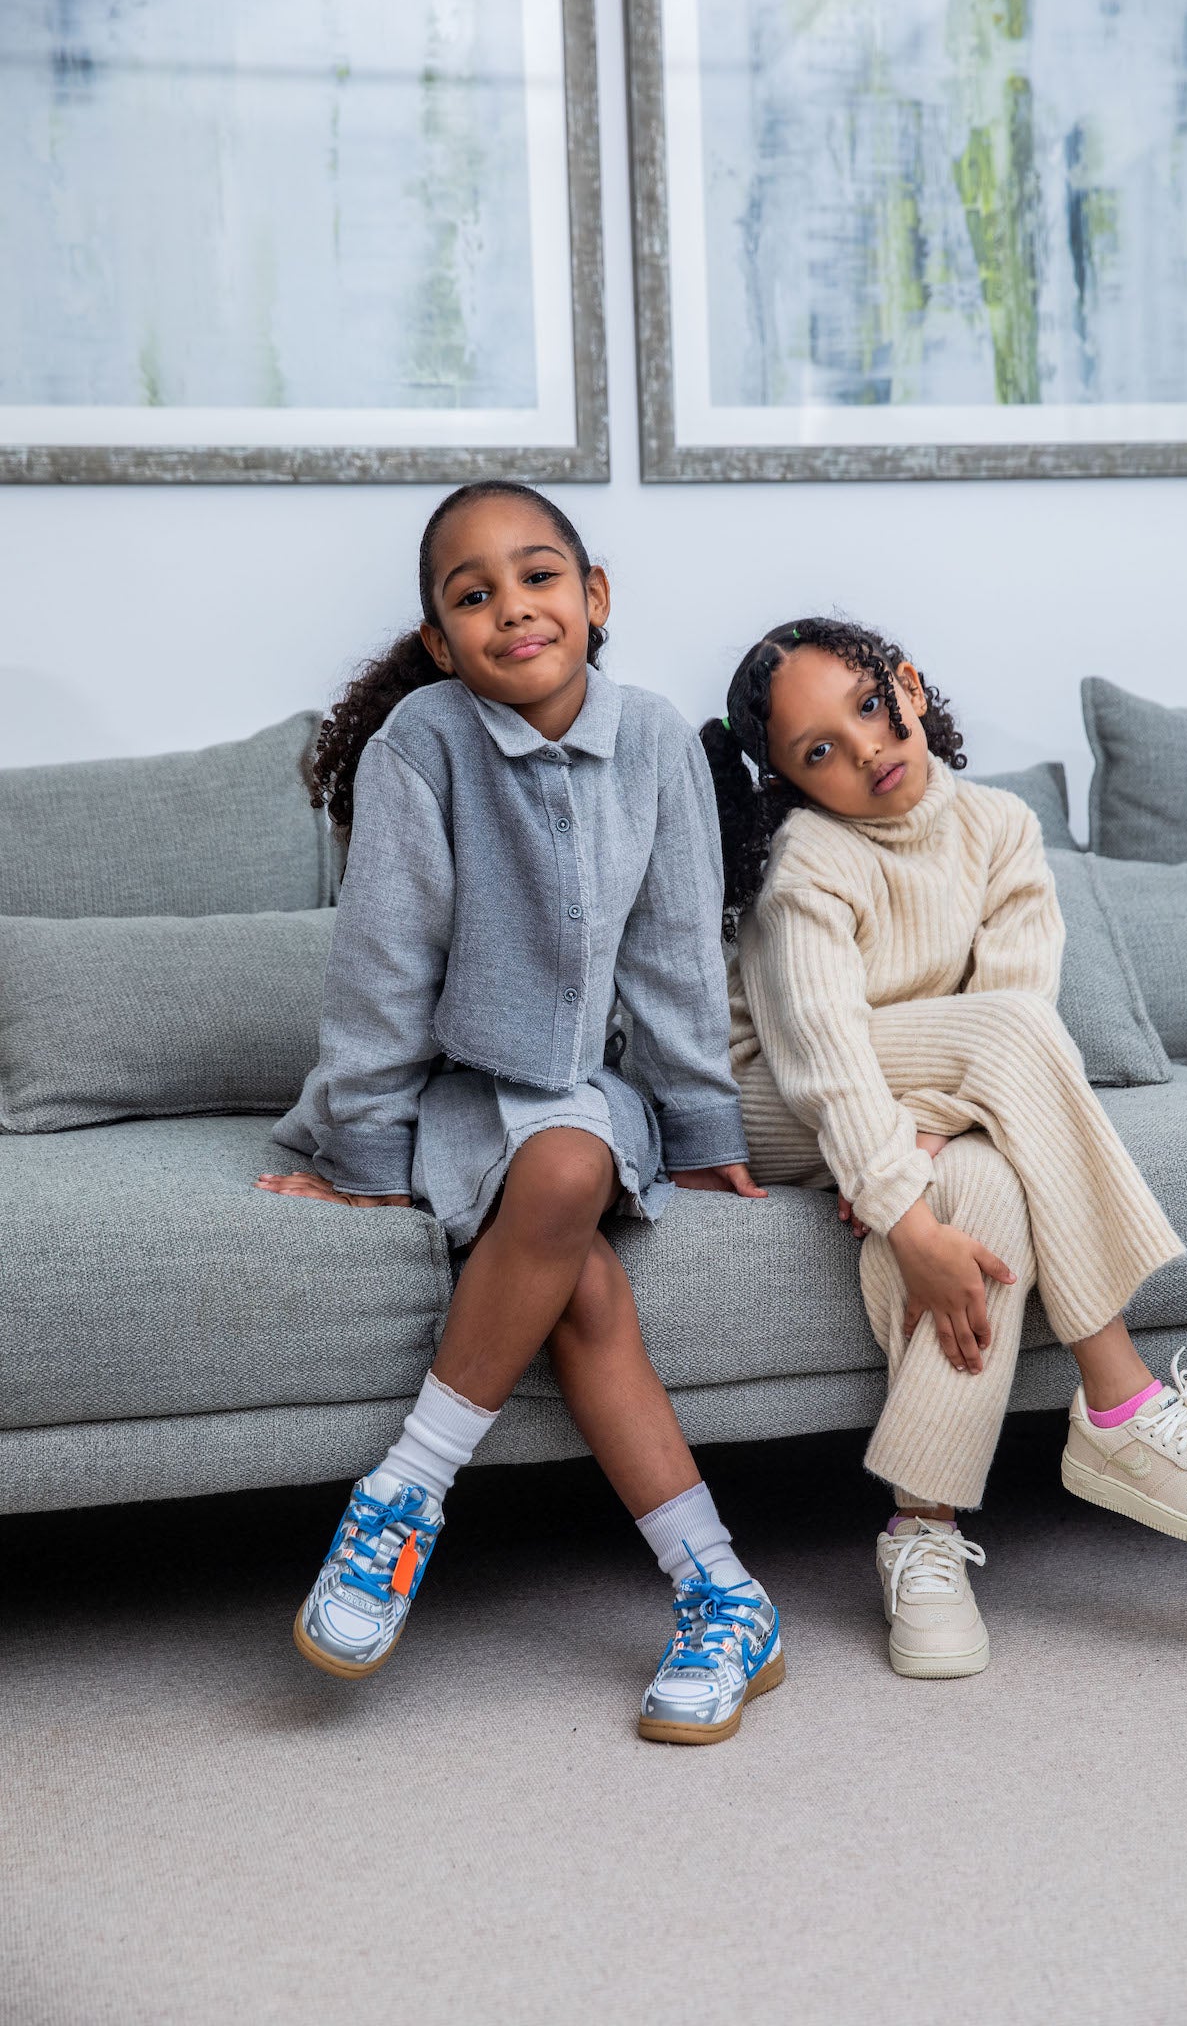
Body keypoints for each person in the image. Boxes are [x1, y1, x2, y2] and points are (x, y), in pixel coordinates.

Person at [258, 481, 783, 1744]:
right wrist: (365, 1148)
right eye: (472, 592)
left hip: (592, 1095)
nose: (512, 607)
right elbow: (384, 965)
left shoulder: (656, 737)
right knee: (585, 1287)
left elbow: (670, 957)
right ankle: (722, 1589)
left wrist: (706, 1135)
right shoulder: (422, 745)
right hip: (453, 1094)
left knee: (559, 1170)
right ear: (441, 640)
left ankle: (404, 1490)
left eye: (539, 575)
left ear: (594, 599)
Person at [702, 617, 1187, 1680]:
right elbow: (827, 1059)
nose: (861, 746)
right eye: (817, 753)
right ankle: (1119, 1396)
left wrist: (941, 1153)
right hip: (785, 1101)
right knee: (1011, 1051)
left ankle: (920, 1533)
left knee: (982, 1186)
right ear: (792, 784)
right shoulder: (807, 860)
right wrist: (902, 1207)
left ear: (912, 685)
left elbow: (1017, 989)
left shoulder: (1000, 825)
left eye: (866, 706)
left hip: (950, 1091)